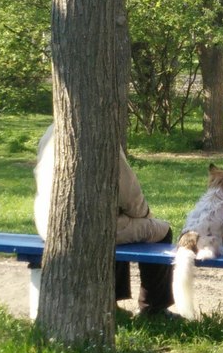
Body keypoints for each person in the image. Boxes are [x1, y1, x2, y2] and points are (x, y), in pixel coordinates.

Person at [33, 123, 175, 316]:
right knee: (161, 231)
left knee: (118, 225)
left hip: (47, 223)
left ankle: (112, 301)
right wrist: (145, 215)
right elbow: (128, 192)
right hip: (86, 224)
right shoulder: (100, 130)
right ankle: (155, 308)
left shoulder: (51, 131)